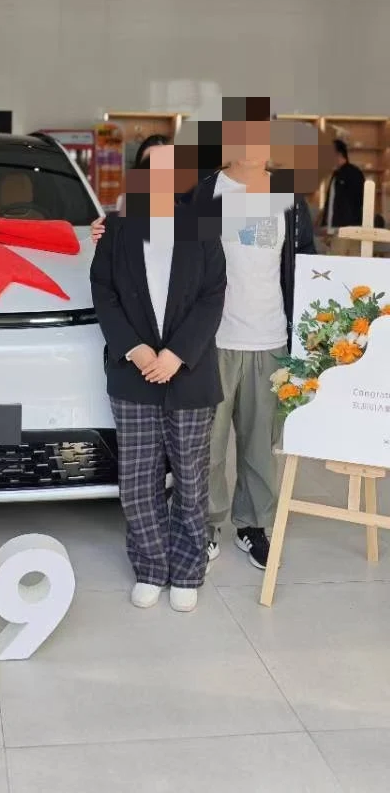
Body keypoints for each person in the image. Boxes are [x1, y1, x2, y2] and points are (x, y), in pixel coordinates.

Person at [90, 144, 226, 612]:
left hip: (189, 373)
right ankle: (151, 566)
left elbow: (213, 295)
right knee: (138, 480)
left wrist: (176, 354)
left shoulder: (203, 227)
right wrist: (136, 348)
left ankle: (187, 569)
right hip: (134, 373)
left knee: (191, 479)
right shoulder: (117, 228)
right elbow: (103, 292)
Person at [189, 102, 315, 570]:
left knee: (261, 444)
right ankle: (204, 524)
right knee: (206, 444)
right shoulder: (205, 193)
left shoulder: (289, 199)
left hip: (270, 338)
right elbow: (173, 255)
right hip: (213, 339)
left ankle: (253, 525)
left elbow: (305, 267)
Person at [320, 139, 365, 256]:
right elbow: (331, 203)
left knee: (339, 264)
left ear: (338, 154)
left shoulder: (354, 173)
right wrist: (327, 226)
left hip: (348, 230)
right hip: (337, 231)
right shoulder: (336, 174)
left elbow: (360, 201)